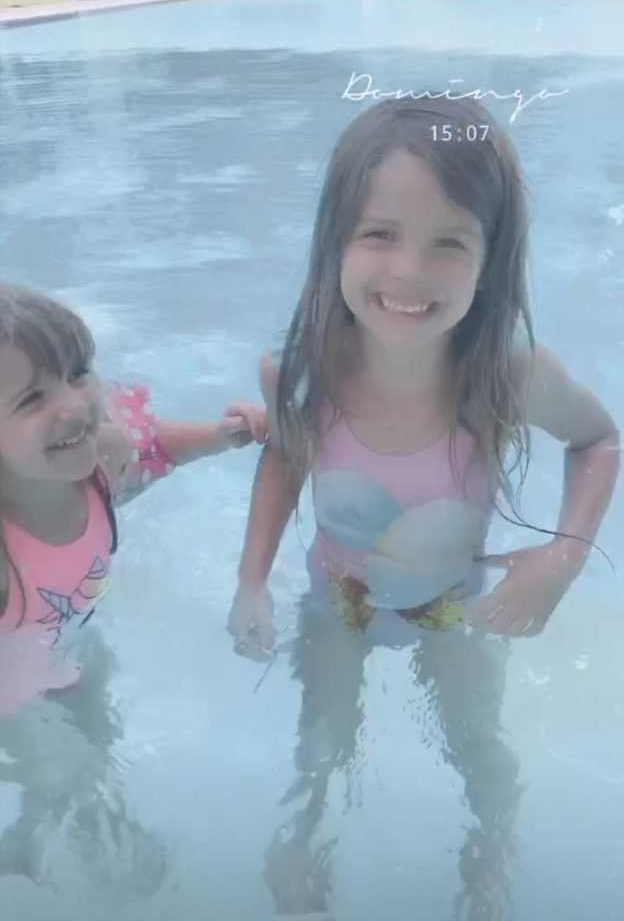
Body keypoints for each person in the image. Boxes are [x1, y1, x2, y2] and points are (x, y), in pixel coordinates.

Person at [228, 95, 620, 916]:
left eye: (449, 242)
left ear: (492, 259)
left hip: (455, 610)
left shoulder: (507, 371)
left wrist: (564, 555)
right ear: (334, 240)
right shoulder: (302, 370)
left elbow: (599, 442)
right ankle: (306, 829)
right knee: (322, 742)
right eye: (380, 234)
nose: (409, 270)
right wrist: (252, 579)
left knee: (479, 748)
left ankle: (491, 853)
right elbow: (284, 456)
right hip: (339, 603)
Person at [0, 281, 267, 715]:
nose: (75, 407)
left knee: (98, 731)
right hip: (14, 706)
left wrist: (219, 438)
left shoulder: (101, 460)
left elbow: (157, 447)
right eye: (32, 398)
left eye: (77, 374)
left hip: (74, 647)